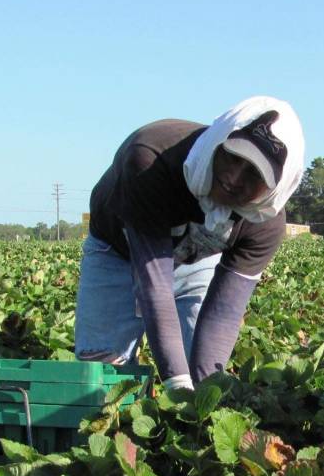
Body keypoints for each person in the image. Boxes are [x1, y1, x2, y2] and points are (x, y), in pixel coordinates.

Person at [75, 96, 305, 391]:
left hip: (196, 260)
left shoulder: (265, 223)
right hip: (117, 251)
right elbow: (154, 285)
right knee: (102, 374)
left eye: (254, 173)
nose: (234, 178)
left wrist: (202, 399)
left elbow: (224, 313)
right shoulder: (150, 158)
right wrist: (178, 384)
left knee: (204, 376)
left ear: (276, 187)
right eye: (232, 157)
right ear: (217, 143)